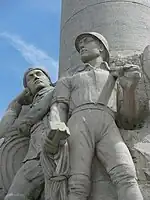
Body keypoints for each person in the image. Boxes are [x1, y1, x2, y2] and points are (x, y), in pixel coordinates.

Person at [49, 32, 143, 200]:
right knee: (77, 183)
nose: (81, 47)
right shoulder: (69, 78)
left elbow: (128, 119)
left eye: (87, 41)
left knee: (127, 174)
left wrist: (129, 89)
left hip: (108, 123)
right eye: (79, 46)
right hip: (78, 123)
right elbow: (59, 105)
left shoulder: (116, 76)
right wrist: (57, 124)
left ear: (101, 47)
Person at [4, 67, 55, 200]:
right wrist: (15, 104)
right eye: (30, 78)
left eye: (39, 74)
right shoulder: (27, 108)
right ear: (27, 90)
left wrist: (25, 122)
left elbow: (38, 111)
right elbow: (4, 131)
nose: (36, 77)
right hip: (34, 154)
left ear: (49, 80)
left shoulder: (60, 89)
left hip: (55, 148)